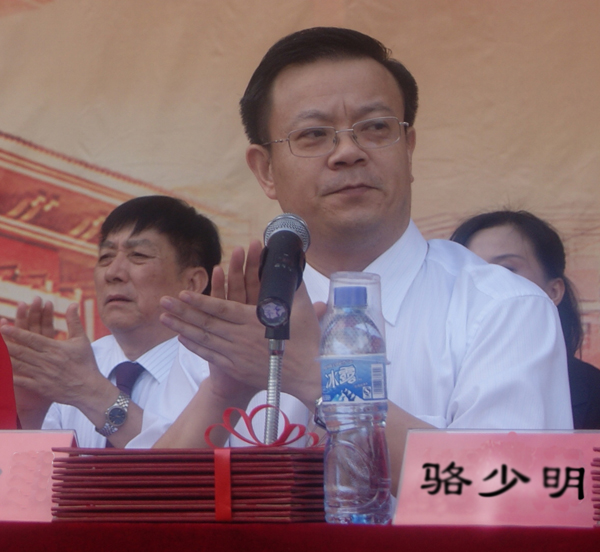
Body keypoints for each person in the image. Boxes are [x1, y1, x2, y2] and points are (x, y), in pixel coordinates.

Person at [147, 27, 573, 492]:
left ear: (408, 148)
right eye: (313, 134)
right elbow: (146, 505)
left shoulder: (503, 308)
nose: (348, 152)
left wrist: (318, 380)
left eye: (375, 128)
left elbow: (516, 492)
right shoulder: (232, 321)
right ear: (265, 170)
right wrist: (222, 391)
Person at [0, 195, 220, 447]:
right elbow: (35, 469)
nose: (113, 273)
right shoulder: (66, 369)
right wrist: (30, 412)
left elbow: (199, 467)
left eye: (138, 255)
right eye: (105, 257)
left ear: (192, 283)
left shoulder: (219, 374)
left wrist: (91, 393)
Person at [450, 209, 600, 429]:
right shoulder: (436, 376)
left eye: (506, 269)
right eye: (472, 272)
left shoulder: (594, 391)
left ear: (553, 291)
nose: (486, 285)